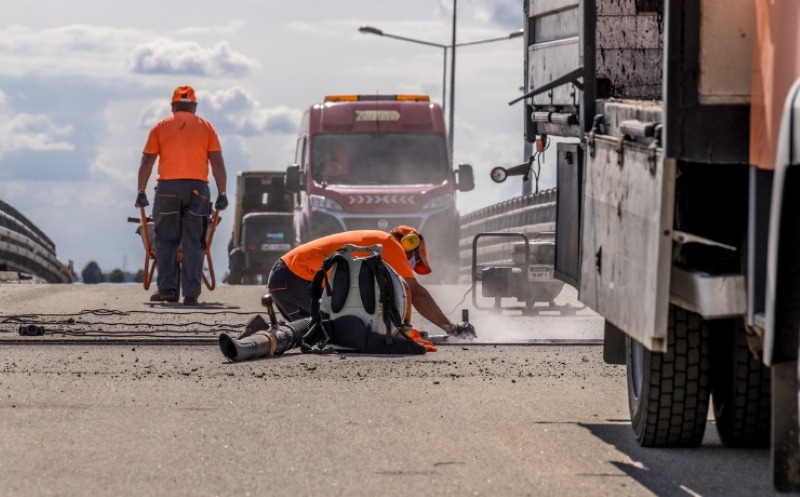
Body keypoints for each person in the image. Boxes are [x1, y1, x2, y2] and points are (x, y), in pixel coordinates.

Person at [266, 226, 475, 337]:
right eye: (414, 259)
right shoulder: (389, 244)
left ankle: (260, 332)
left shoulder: (375, 245)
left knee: (309, 333)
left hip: (285, 278)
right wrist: (450, 328)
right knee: (335, 333)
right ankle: (263, 337)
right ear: (408, 244)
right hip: (294, 278)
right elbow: (414, 292)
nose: (410, 264)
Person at [134, 85, 228, 305]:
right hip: (198, 190)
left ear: (173, 106)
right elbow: (217, 162)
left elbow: (147, 161)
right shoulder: (207, 128)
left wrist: (141, 191)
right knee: (194, 241)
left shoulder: (160, 127)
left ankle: (167, 290)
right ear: (194, 106)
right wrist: (222, 192)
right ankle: (191, 293)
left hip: (167, 189)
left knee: (165, 240)